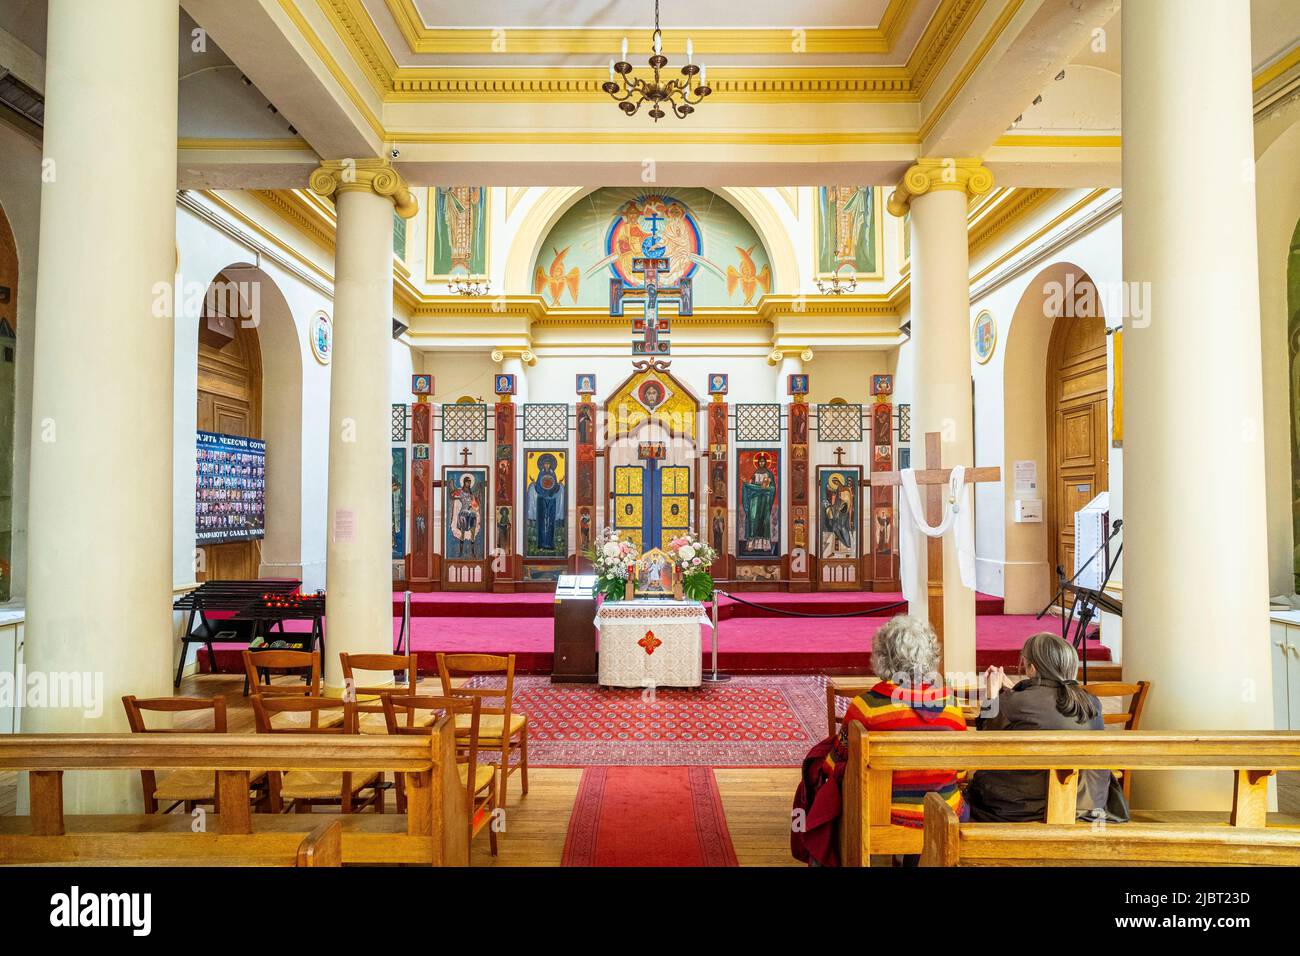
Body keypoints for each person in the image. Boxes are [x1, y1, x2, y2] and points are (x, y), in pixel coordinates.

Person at [793, 616, 966, 866]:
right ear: (930, 657)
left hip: (881, 816)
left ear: (882, 657)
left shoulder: (867, 707)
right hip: (942, 811)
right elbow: (959, 772)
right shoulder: (952, 707)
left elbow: (835, 765)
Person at [967, 632, 1122, 823]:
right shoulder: (1091, 702)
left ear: (1032, 667)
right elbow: (1046, 703)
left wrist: (992, 699)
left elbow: (985, 744)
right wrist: (1014, 691)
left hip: (1020, 810)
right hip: (1084, 806)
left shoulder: (1013, 703)